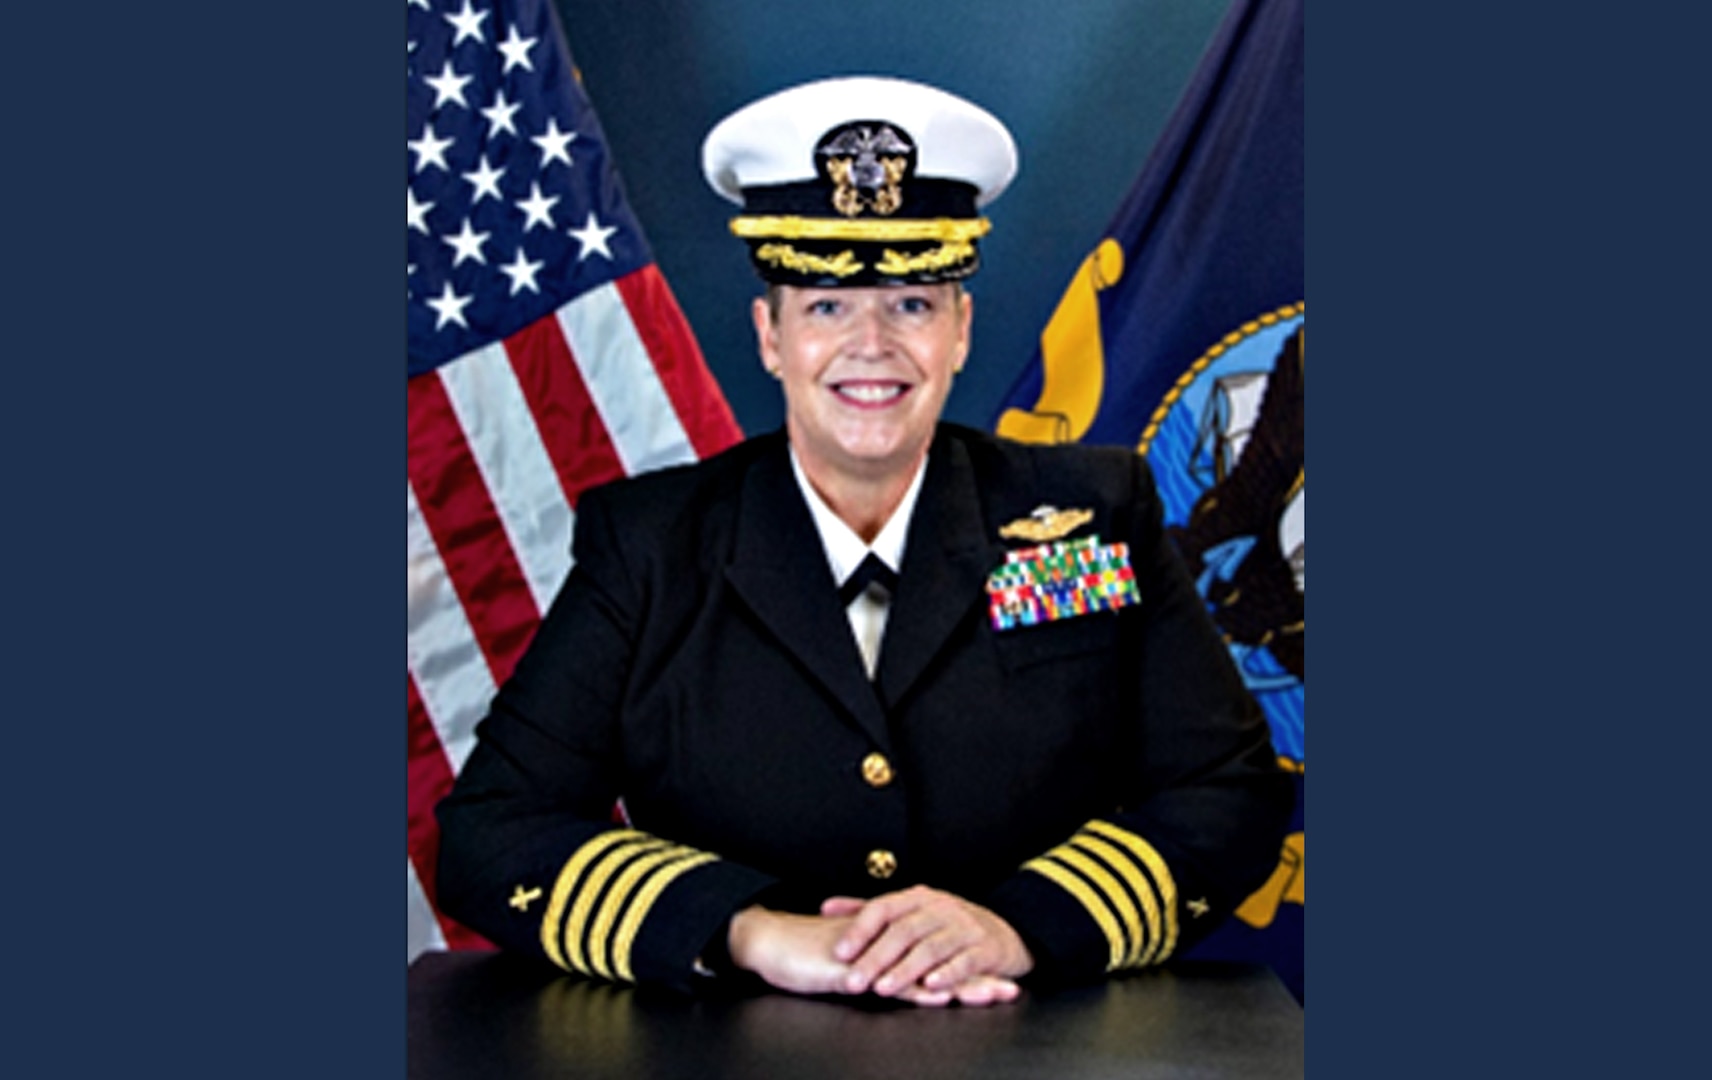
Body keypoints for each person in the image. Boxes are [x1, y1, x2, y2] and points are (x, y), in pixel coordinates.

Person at [436, 75, 1292, 1007]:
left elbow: (1230, 792)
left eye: (913, 304)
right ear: (771, 336)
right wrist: (749, 932)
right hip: (729, 1053)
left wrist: (1016, 926)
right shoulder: (649, 545)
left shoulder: (1093, 513)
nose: (872, 344)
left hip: (1030, 1043)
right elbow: (492, 832)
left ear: (961, 331)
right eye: (828, 307)